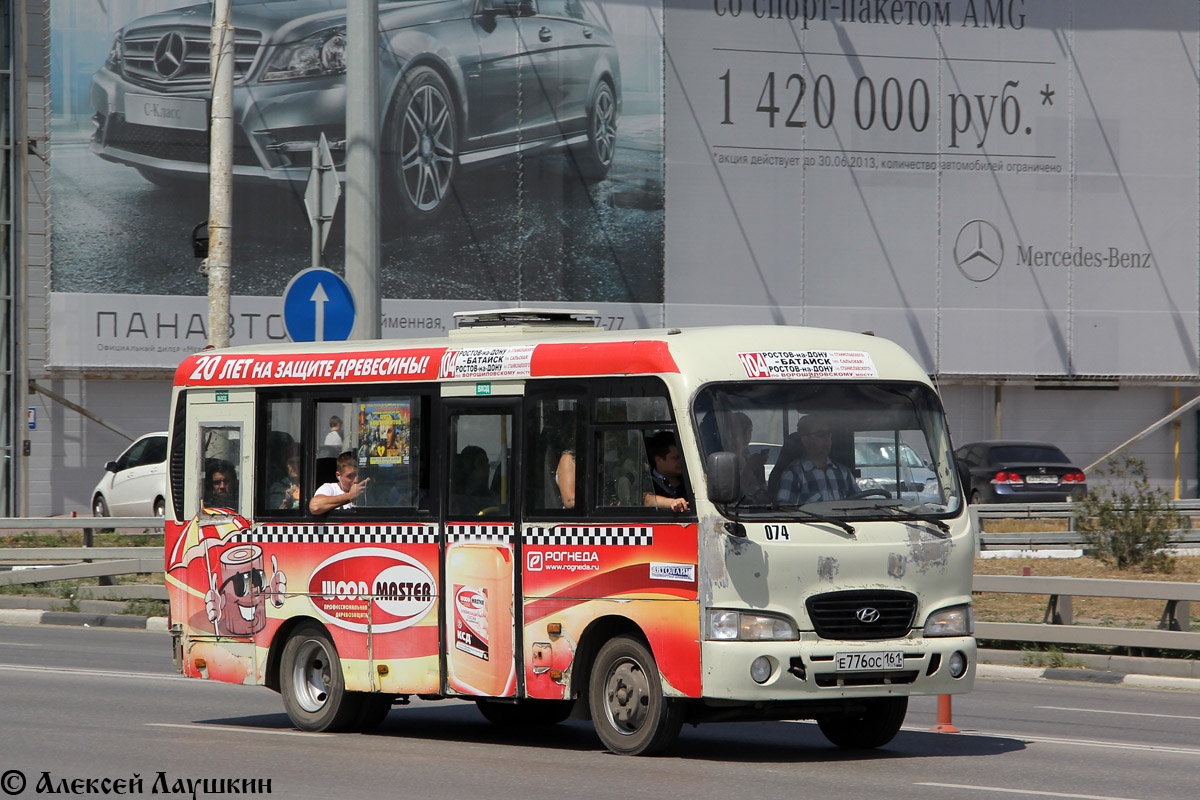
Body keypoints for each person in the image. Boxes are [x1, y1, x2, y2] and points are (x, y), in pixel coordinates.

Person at [773, 414, 859, 504]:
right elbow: (785, 512)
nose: (827, 439)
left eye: (829, 434)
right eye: (821, 434)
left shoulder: (844, 473)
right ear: (805, 441)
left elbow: (860, 506)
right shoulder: (793, 474)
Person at [644, 431, 689, 512]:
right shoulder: (647, 480)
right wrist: (672, 502)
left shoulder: (689, 479)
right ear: (659, 460)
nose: (681, 461)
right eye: (676, 458)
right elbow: (647, 500)